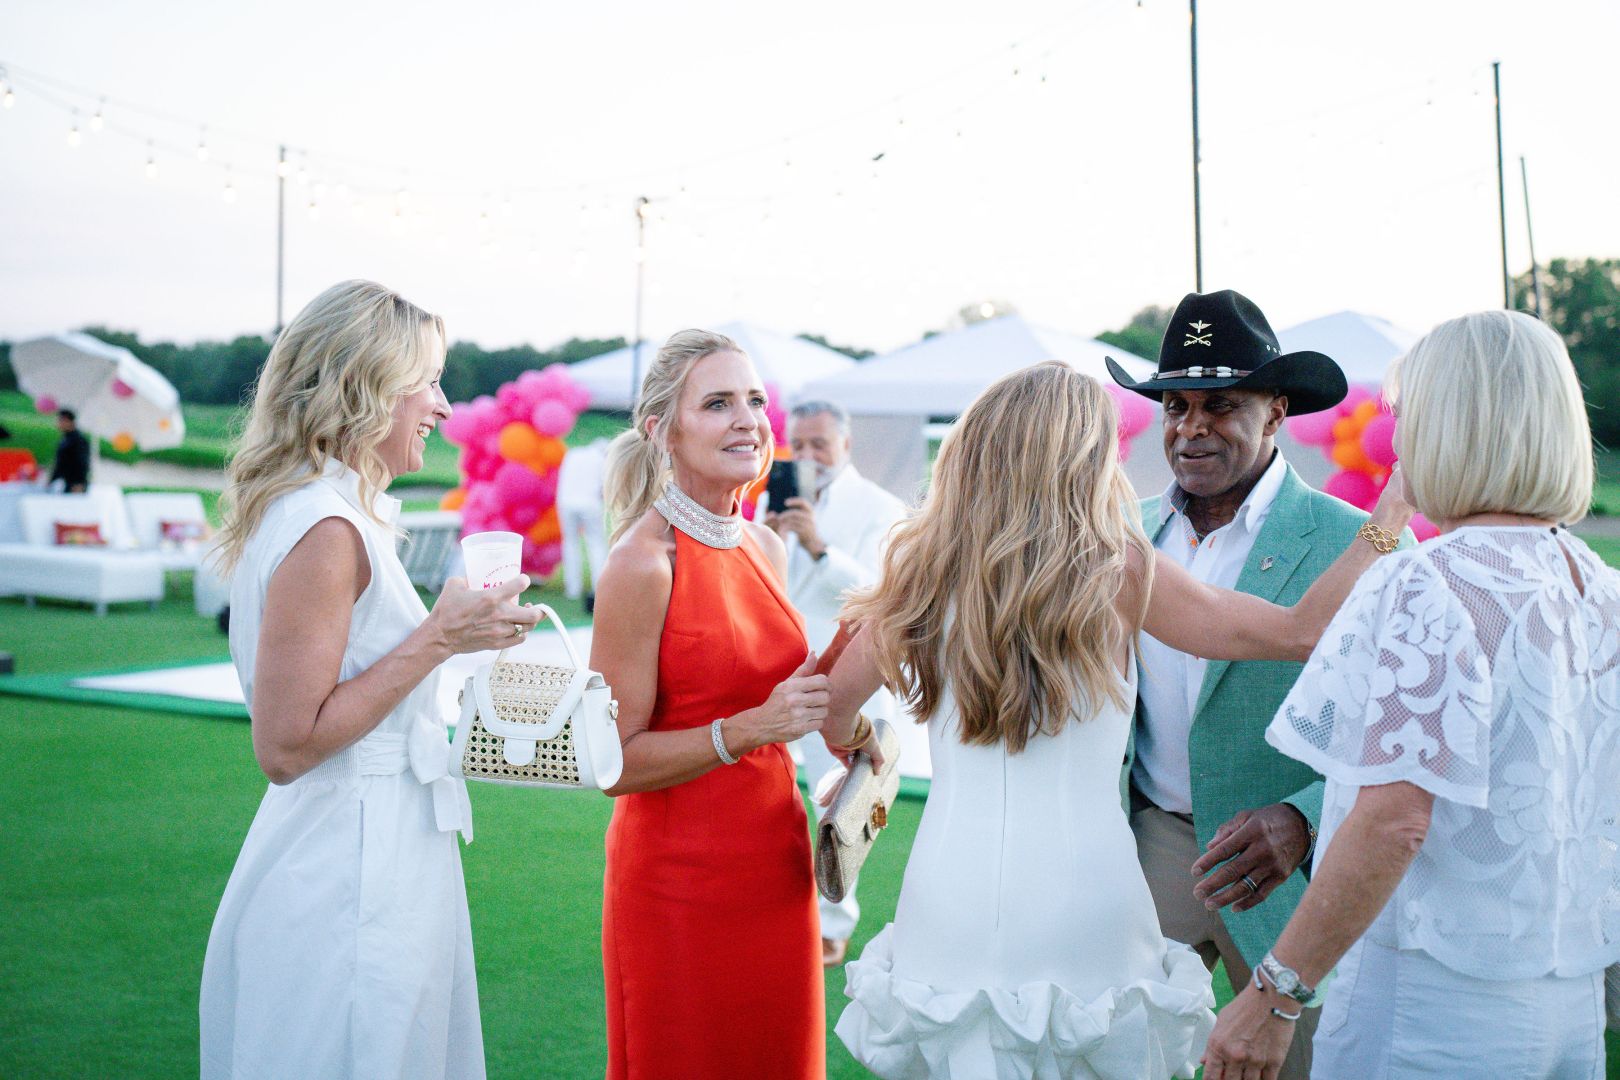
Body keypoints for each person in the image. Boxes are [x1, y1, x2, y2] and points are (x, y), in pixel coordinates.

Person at [819, 361, 1413, 1079]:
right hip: (1084, 893)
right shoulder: (1118, 568)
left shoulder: (919, 568)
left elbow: (832, 708)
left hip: (947, 889)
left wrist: (865, 746)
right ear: (1084, 455)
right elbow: (1299, 631)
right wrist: (1391, 515)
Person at [1203, 310, 1618, 1079]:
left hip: (1434, 1006)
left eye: (1410, 414)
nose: (1398, 441)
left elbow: (1393, 819)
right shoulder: (1601, 589)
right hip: (1570, 1002)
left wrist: (1275, 993)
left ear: (1450, 426)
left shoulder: (1426, 582)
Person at [199, 280, 540, 1079]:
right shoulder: (324, 526)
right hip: (347, 865)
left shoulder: (336, 510)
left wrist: (460, 641)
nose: (443, 407)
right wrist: (436, 638)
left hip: (386, 845)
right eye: (429, 381)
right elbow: (286, 746)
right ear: (367, 386)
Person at [1103, 288, 1411, 1079]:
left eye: (1220, 405)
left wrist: (1304, 817)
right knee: (1112, 1056)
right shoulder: (1123, 532)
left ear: (1276, 412)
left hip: (1289, 872)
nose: (1191, 426)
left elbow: (1402, 727)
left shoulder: (1360, 542)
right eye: (1175, 406)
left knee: (1295, 1066)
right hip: (1151, 847)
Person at [591, 329, 831, 1080]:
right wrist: (752, 728)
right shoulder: (641, 564)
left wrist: (853, 737)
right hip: (679, 884)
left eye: (754, 400)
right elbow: (611, 762)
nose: (748, 420)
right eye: (719, 403)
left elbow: (777, 694)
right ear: (663, 431)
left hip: (777, 862)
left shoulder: (767, 547)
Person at [764, 398, 908, 966]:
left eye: (818, 444)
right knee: (776, 796)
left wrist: (820, 547)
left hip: (849, 672)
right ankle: (779, 908)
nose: (807, 455)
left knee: (841, 800)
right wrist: (767, 539)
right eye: (797, 444)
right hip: (780, 669)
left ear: (845, 444)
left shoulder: (881, 506)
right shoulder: (770, 503)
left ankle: (834, 921)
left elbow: (883, 594)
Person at [556, 436, 610, 603]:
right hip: (590, 504)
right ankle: (598, 586)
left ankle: (572, 588)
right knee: (596, 544)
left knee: (570, 543)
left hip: (566, 503)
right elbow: (604, 488)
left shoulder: (572, 454)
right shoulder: (602, 460)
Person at [50, 408, 90, 492]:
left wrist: (79, 482)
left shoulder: (78, 440)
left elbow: (82, 463)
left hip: (74, 485)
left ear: (68, 421)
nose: (58, 424)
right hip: (65, 482)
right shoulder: (65, 439)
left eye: (60, 420)